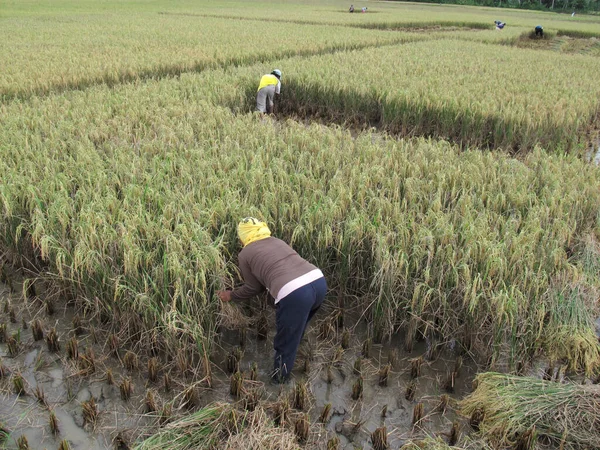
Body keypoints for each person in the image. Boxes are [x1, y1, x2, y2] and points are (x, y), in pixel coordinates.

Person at [217, 217, 327, 383]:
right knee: (297, 328)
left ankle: (278, 384)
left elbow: (254, 288)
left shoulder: (245, 253)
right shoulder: (276, 240)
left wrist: (230, 295)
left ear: (244, 236)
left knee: (284, 344)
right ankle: (298, 353)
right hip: (318, 282)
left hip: (295, 292)